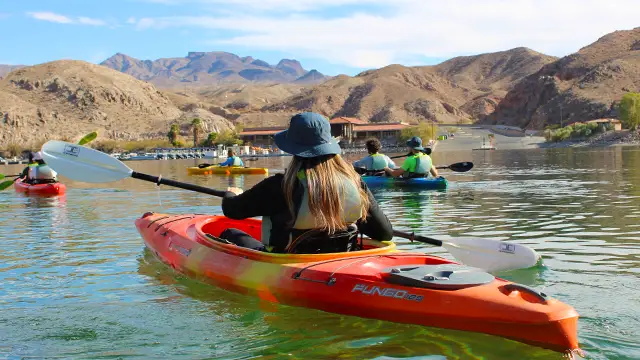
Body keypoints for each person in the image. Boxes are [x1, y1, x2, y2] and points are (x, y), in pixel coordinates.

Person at [219, 112, 393, 254]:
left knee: (229, 233)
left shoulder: (281, 185)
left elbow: (232, 210)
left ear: (294, 150)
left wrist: (232, 194)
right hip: (339, 258)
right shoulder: (355, 182)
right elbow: (384, 233)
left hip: (288, 262)